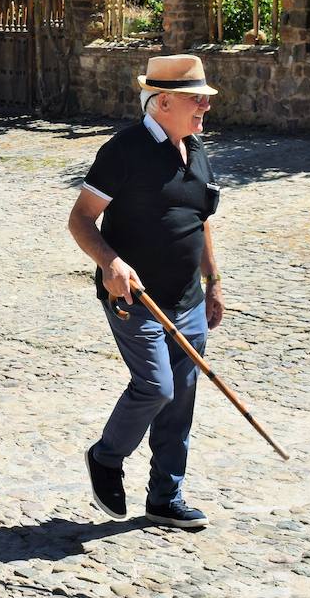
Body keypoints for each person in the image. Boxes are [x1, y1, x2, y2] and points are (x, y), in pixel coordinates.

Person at [68, 54, 225, 530]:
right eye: (194, 99)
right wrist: (111, 263)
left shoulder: (195, 149)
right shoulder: (125, 150)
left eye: (205, 98)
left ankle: (165, 498)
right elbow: (80, 220)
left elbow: (200, 221)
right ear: (161, 103)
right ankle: (106, 456)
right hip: (133, 299)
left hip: (188, 299)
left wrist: (213, 281)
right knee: (157, 386)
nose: (204, 107)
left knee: (181, 400)